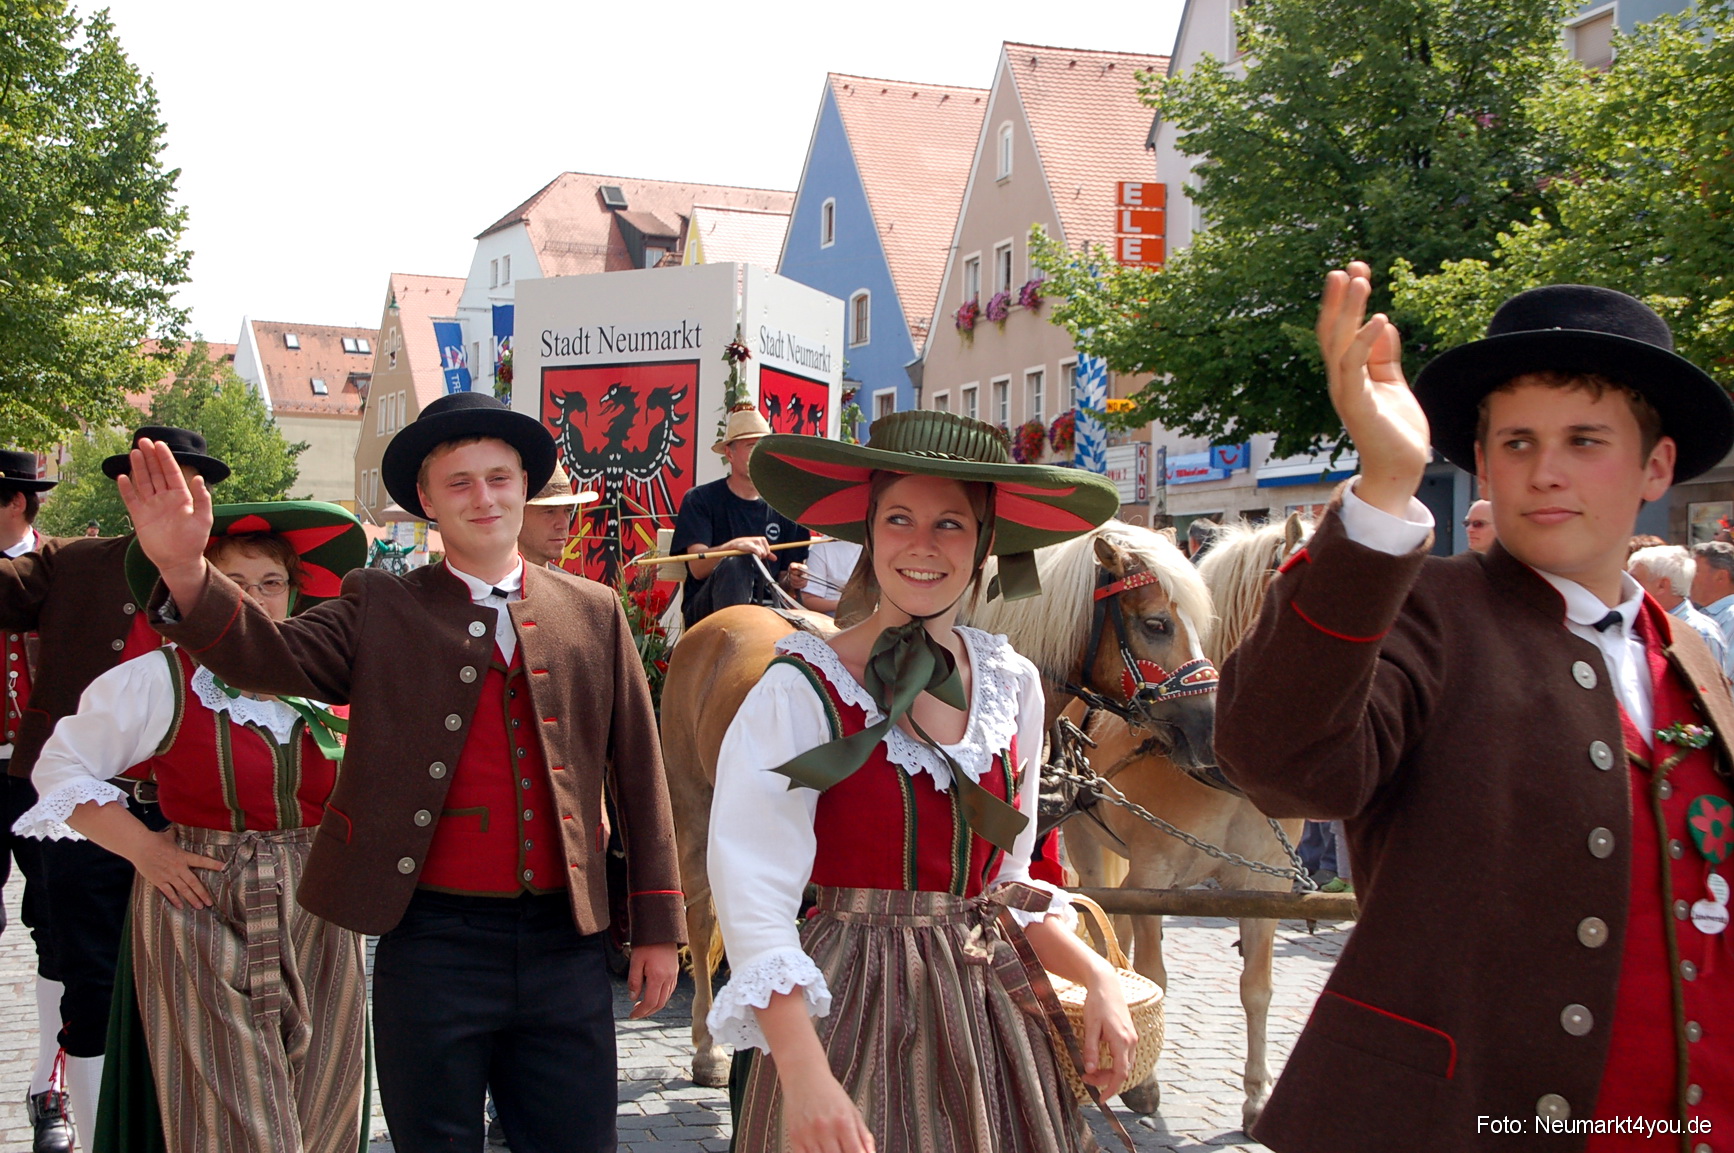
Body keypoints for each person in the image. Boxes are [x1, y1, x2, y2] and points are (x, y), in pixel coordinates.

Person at [1217, 266, 1733, 1151]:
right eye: (1518, 442)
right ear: (1484, 463)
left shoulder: (1689, 654)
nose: (1547, 471)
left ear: (1656, 466)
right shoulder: (1428, 610)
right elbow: (1280, 759)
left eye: (1584, 440)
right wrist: (1382, 492)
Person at [120, 392, 685, 1152]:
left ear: (526, 485)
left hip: (565, 947)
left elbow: (641, 779)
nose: (483, 497)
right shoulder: (379, 604)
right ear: (425, 500)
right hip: (432, 943)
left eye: (499, 477)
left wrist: (657, 926)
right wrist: (186, 569)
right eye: (459, 482)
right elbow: (268, 656)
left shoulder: (594, 609)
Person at [707, 410, 1135, 1153]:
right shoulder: (801, 690)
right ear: (869, 532)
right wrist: (804, 1072)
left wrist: (1098, 975)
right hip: (843, 1017)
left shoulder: (1013, 686)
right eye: (900, 517)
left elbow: (1004, 882)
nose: (923, 545)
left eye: (951, 524)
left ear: (987, 543)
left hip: (987, 1016)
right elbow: (753, 896)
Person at [14, 502, 369, 1153]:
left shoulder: (327, 679)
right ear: (198, 593)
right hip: (201, 907)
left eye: (270, 582)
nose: (254, 598)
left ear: (294, 592)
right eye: (231, 583)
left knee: (323, 1108)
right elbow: (59, 770)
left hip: (319, 911)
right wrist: (144, 848)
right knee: (240, 1121)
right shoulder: (162, 679)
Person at [0, 426, 230, 1149]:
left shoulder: (236, 570)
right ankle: (79, 1112)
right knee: (87, 972)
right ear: (125, 491)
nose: (166, 495)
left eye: (183, 482)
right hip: (88, 809)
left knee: (199, 986)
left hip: (200, 813)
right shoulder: (73, 562)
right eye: (148, 480)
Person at [0, 450, 72, 1153]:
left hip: (42, 773)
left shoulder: (63, 568)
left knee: (56, 926)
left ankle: (45, 1085)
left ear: (17, 503)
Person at [672, 404, 809, 628]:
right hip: (710, 616)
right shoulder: (700, 499)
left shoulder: (787, 507)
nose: (759, 455)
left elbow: (784, 582)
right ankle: (737, 638)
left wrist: (794, 578)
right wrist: (735, 546)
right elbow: (697, 569)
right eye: (751, 446)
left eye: (764, 448)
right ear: (729, 453)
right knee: (736, 563)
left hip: (771, 612)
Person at [1628, 544, 1731, 677]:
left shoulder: (1700, 633)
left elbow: (1707, 693)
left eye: (1635, 581)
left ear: (1662, 586)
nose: (1626, 587)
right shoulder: (1635, 624)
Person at [516, 462, 597, 570]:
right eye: (549, 511)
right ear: (517, 514)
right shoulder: (489, 585)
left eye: (568, 511)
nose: (563, 525)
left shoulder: (568, 586)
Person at [798, 537, 863, 619]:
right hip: (833, 621)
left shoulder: (878, 542)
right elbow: (808, 599)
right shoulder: (823, 547)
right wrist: (843, 604)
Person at [1691, 540, 1734, 650]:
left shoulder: (1731, 618)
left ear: (1721, 576)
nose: (1688, 577)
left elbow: (1724, 666)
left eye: (1695, 571)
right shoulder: (1703, 612)